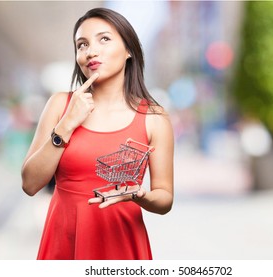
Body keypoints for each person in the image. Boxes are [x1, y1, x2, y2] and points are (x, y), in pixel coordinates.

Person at [21, 7, 174, 260]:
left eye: (104, 39)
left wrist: (140, 195)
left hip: (122, 245)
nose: (91, 51)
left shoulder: (154, 118)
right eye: (82, 45)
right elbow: (30, 184)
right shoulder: (60, 105)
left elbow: (165, 197)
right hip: (64, 242)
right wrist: (67, 125)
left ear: (128, 50)